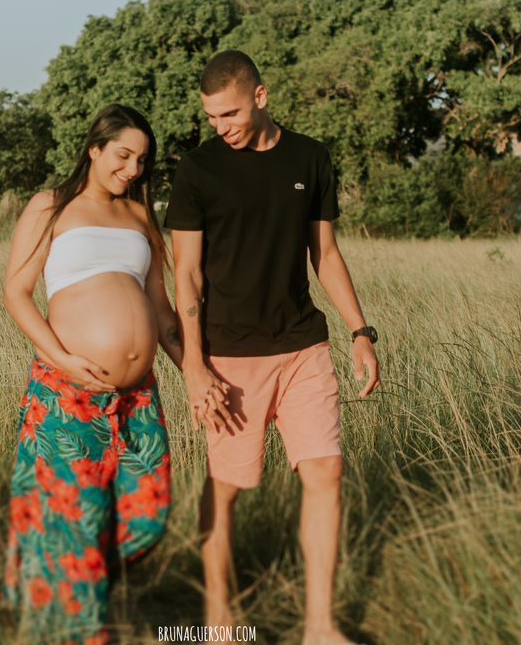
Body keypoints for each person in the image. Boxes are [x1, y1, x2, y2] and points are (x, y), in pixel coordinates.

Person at [166, 50, 380, 645]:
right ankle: (216, 623)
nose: (221, 127)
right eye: (211, 118)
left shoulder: (309, 158)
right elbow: (186, 276)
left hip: (302, 345)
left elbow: (326, 254)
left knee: (326, 474)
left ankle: (319, 627)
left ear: (260, 97)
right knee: (227, 487)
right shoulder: (197, 170)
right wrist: (192, 365)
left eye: (230, 113)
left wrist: (360, 332)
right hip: (229, 357)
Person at [1, 103, 183, 645]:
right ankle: (75, 620)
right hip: (66, 393)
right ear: (94, 149)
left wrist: (196, 372)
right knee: (74, 523)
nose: (132, 169)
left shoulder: (141, 218)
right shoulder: (50, 206)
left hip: (137, 399)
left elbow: (164, 311)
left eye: (141, 161)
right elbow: (16, 292)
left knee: (147, 514)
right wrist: (61, 358)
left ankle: (67, 578)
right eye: (123, 155)